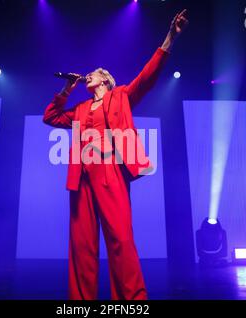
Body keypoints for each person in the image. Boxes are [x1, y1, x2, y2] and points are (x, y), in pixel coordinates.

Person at [43, 10, 188, 300]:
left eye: (93, 74)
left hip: (110, 171)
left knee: (120, 238)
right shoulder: (81, 109)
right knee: (82, 244)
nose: (88, 76)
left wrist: (170, 36)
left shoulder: (121, 95)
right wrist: (66, 87)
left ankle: (133, 300)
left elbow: (148, 77)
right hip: (81, 178)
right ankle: (81, 302)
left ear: (105, 80)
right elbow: (51, 117)